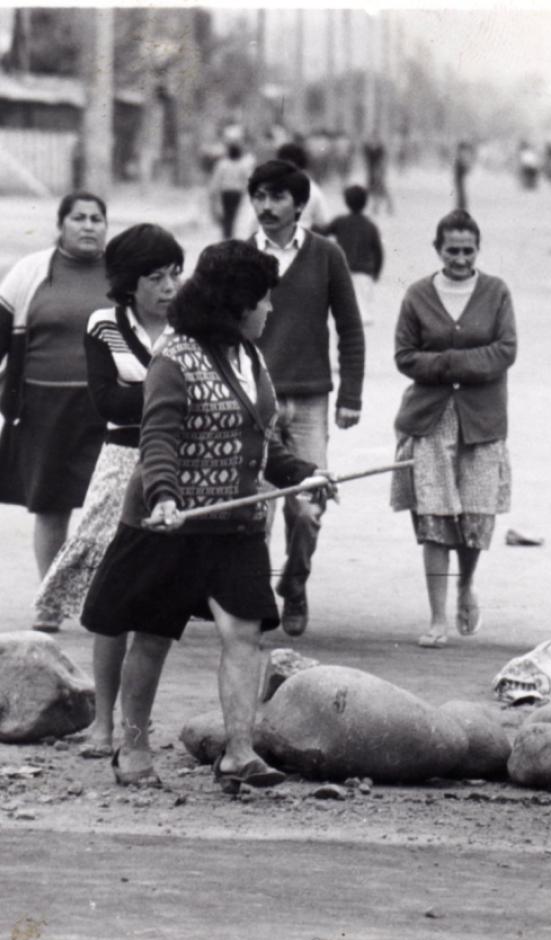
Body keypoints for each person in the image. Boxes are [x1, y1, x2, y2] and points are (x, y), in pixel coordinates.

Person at [80, 240, 335, 790]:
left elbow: (260, 441)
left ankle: (238, 753)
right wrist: (166, 498)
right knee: (151, 635)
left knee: (244, 631)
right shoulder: (174, 356)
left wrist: (301, 473)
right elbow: (159, 437)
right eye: (263, 301)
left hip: (235, 523)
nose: (271, 311)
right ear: (236, 304)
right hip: (168, 524)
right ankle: (133, 749)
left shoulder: (251, 355)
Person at [34, 226, 182, 754]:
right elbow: (107, 404)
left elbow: (131, 397)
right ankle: (102, 724)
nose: (169, 286)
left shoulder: (192, 323)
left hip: (181, 463)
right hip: (121, 461)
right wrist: (170, 393)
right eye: (156, 277)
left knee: (161, 597)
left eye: (174, 274)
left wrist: (144, 393)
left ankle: (137, 729)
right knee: (111, 593)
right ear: (128, 283)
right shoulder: (105, 324)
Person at [248, 158, 364, 636]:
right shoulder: (239, 257)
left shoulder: (326, 255)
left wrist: (350, 397)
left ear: (299, 204)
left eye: (277, 197)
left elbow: (351, 328)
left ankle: (294, 584)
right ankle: (252, 601)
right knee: (255, 508)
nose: (266, 206)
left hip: (311, 401)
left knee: (307, 507)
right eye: (259, 196)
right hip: (252, 402)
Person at [390, 210, 516, 648]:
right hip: (430, 419)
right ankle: (436, 616)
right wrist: (451, 366)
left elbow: (505, 350)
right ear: (437, 249)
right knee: (435, 520)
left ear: (478, 249)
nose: (461, 259)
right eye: (452, 251)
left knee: (475, 518)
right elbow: (404, 356)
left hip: (481, 422)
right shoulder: (418, 295)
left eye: (468, 251)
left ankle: (466, 584)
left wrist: (446, 363)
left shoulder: (496, 292)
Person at [0, 191, 112, 624]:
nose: (88, 226)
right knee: (50, 505)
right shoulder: (31, 272)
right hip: (44, 406)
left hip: (110, 408)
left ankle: (100, 600)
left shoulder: (121, 274)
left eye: (97, 219)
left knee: (110, 507)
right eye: (79, 218)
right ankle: (50, 600)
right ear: (61, 225)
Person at [327, 185, 384, 327]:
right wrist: (376, 271)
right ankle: (364, 316)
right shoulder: (370, 225)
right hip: (365, 269)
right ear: (365, 202)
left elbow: (323, 231)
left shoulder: (340, 221)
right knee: (363, 297)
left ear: (346, 202)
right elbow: (378, 251)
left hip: (344, 267)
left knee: (343, 295)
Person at [276, 142, 332, 234]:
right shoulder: (314, 190)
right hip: (304, 241)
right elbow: (324, 223)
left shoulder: (268, 188)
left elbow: (253, 224)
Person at [207, 143, 253, 240]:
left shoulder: (223, 164)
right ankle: (229, 234)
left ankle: (226, 235)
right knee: (232, 214)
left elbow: (217, 179)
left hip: (225, 192)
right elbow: (247, 179)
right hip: (237, 193)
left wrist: (213, 191)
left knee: (226, 214)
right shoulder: (242, 165)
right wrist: (246, 190)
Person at [363, 138, 394, 216]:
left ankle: (378, 207)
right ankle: (380, 206)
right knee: (378, 190)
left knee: (379, 189)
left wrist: (380, 172)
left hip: (377, 171)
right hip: (373, 172)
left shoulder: (379, 151)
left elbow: (382, 161)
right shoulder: (369, 150)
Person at [452, 140, 475, 212]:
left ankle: (461, 206)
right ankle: (461, 207)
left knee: (461, 195)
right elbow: (461, 171)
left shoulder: (458, 159)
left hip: (459, 181)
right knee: (461, 195)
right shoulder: (458, 160)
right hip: (459, 181)